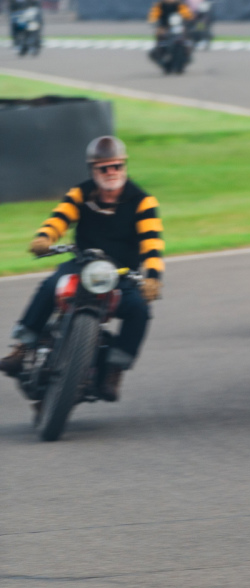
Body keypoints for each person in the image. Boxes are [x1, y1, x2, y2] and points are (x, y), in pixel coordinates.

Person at [0, 137, 162, 402]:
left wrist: (153, 277)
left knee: (140, 311)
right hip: (81, 265)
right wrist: (44, 237)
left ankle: (115, 369)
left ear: (124, 166)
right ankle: (22, 348)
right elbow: (59, 217)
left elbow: (152, 244)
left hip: (120, 275)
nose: (111, 172)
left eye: (117, 166)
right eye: (104, 168)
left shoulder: (143, 201)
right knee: (51, 285)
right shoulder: (81, 193)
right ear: (92, 170)